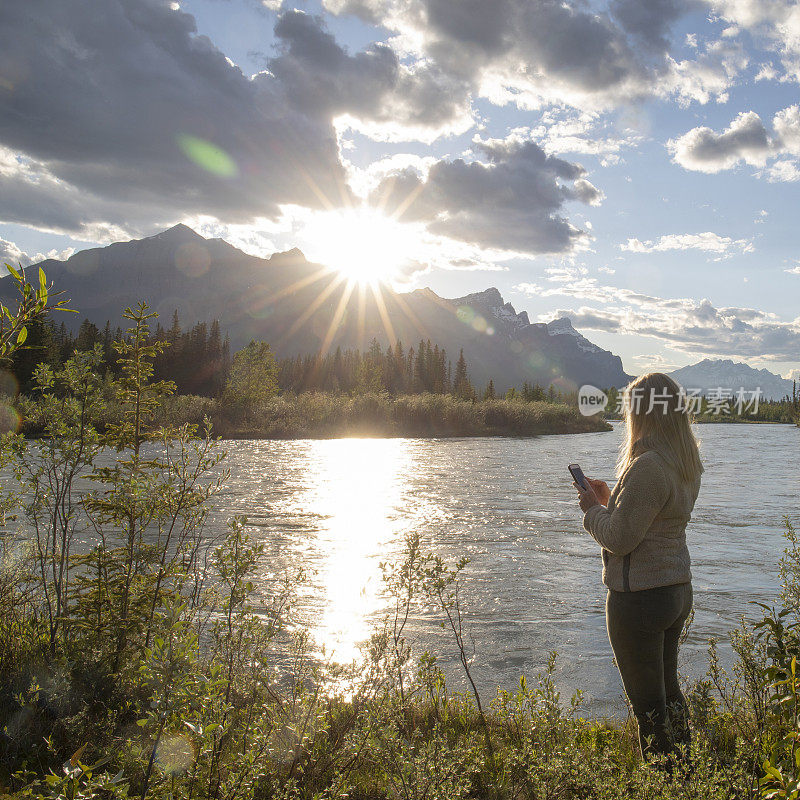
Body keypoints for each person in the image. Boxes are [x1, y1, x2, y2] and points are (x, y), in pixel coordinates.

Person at [574, 372, 703, 767]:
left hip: (641, 598)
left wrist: (592, 510)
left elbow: (621, 539)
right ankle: (688, 772)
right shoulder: (684, 461)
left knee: (648, 708)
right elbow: (651, 520)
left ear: (643, 412)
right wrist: (611, 500)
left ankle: (667, 780)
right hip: (675, 589)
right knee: (668, 691)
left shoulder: (647, 465)